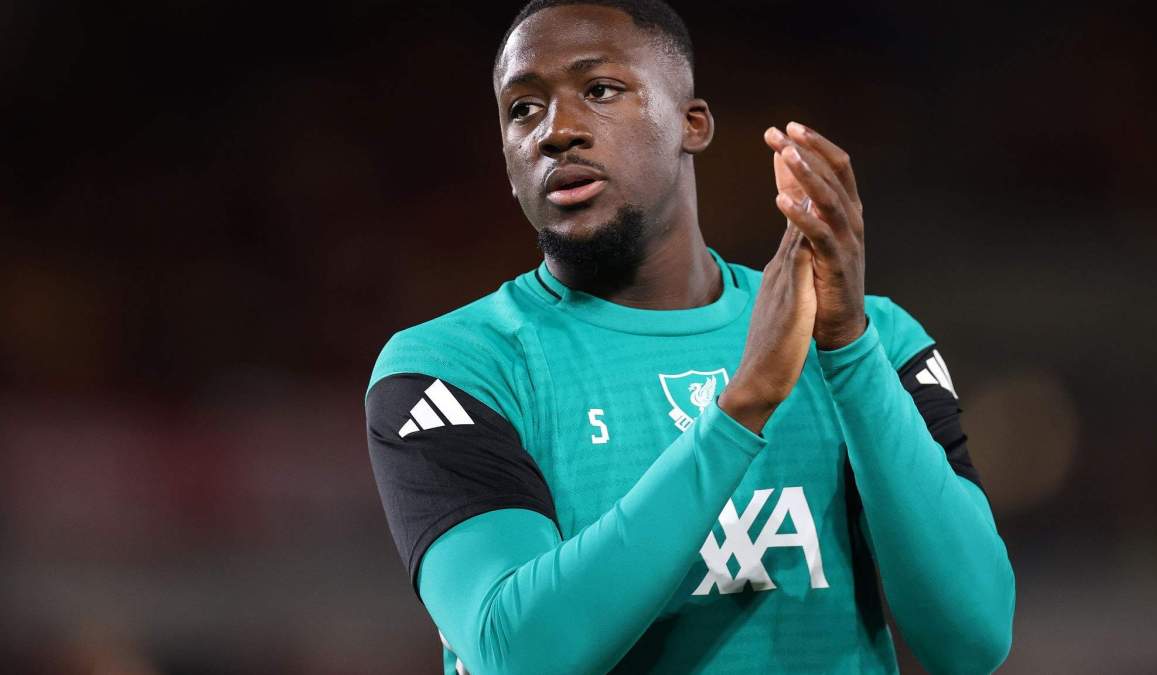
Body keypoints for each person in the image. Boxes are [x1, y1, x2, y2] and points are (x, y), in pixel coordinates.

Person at [365, 1, 1015, 673]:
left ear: (691, 123)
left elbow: (972, 639)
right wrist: (744, 407)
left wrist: (849, 349)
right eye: (523, 109)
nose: (555, 132)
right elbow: (520, 652)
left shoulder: (872, 340)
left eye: (599, 90)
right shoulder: (454, 370)